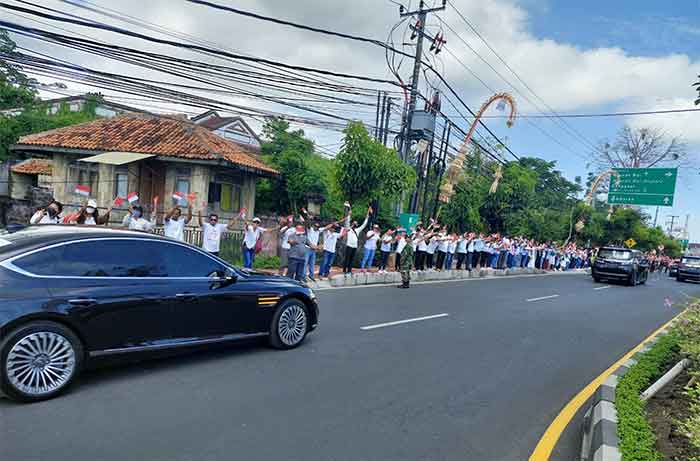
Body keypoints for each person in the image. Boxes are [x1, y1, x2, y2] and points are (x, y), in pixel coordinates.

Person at [342, 206, 371, 274]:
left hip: (354, 246)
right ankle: (344, 270)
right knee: (347, 258)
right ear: (352, 223)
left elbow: (364, 224)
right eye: (354, 223)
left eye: (356, 223)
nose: (355, 224)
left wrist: (367, 215)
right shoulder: (349, 229)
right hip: (349, 245)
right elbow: (347, 222)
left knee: (351, 259)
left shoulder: (357, 230)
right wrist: (349, 214)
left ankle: (349, 270)